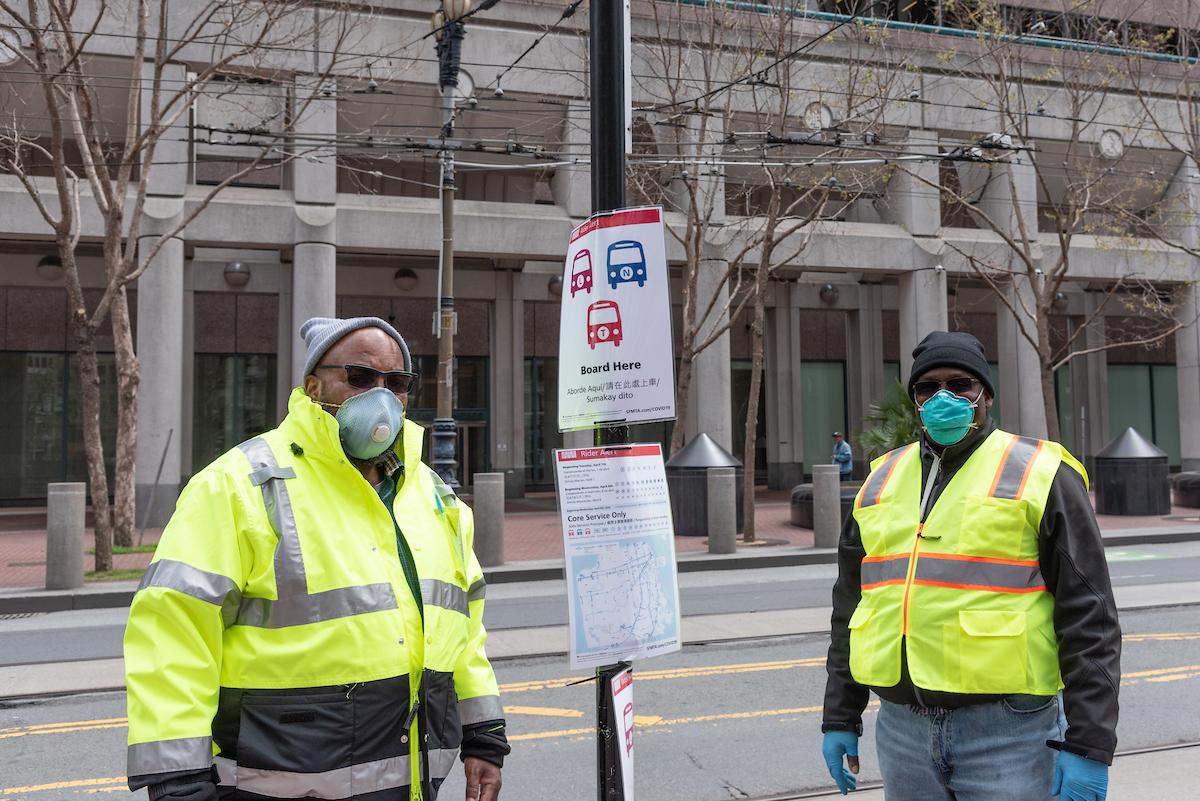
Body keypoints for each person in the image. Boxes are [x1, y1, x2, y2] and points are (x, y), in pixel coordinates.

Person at [124, 317, 509, 801]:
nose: (382, 395)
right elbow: (172, 632)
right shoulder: (237, 485)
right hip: (273, 784)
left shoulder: (433, 496)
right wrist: (177, 779)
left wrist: (483, 735)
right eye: (361, 377)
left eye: (398, 383)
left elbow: (464, 629)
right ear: (313, 386)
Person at [821, 331, 1119, 801]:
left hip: (1010, 734)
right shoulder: (880, 479)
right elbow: (852, 607)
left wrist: (1089, 743)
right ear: (915, 399)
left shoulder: (1042, 472)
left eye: (960, 385)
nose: (944, 397)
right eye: (927, 388)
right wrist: (840, 715)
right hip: (902, 734)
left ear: (986, 395)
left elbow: (1091, 617)